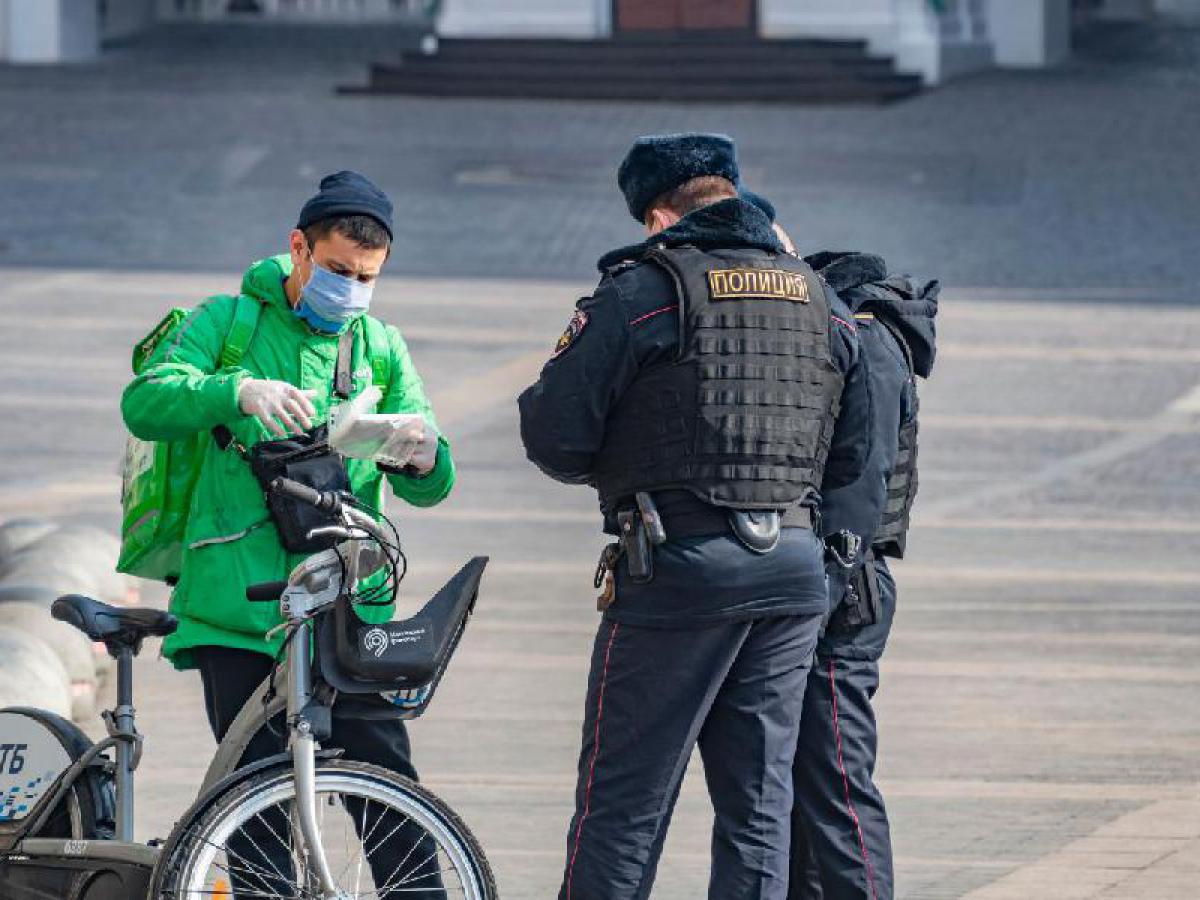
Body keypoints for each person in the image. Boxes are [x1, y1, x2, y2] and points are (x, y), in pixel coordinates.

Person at [518, 133, 871, 900]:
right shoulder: (820, 297)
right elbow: (852, 450)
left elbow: (553, 433)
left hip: (677, 570)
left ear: (656, 217)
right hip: (793, 574)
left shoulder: (642, 292)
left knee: (623, 804)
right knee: (759, 806)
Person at [121, 170, 455, 897]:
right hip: (239, 608)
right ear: (298, 248)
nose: (351, 290)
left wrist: (426, 454)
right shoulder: (227, 322)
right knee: (256, 804)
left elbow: (431, 486)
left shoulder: (380, 344)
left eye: (367, 277)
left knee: (389, 792)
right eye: (338, 270)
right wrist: (234, 390)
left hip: (347, 607)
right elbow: (144, 402)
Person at [786, 252, 939, 900]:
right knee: (801, 785)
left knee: (838, 782)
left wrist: (823, 592)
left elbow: (858, 485)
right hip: (837, 578)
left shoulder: (871, 342)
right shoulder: (870, 336)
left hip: (848, 587)